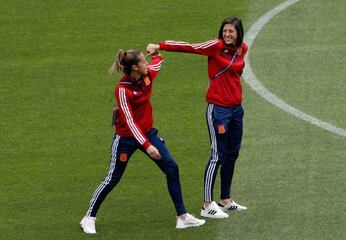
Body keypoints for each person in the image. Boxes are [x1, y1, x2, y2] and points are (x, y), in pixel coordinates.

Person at [80, 49, 205, 234]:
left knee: (171, 167)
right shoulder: (122, 90)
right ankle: (88, 217)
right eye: (143, 62)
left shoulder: (146, 76)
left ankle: (183, 217)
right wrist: (148, 146)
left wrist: (157, 55)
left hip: (148, 133)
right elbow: (130, 122)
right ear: (136, 67)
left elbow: (156, 64)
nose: (147, 64)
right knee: (113, 178)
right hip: (126, 139)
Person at [147, 16, 248, 219]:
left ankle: (225, 199)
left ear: (238, 33)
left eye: (232, 31)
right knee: (217, 154)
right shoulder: (215, 45)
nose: (228, 34)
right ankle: (206, 204)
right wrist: (160, 45)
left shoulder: (242, 48)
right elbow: (190, 47)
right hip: (218, 110)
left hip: (236, 109)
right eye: (225, 30)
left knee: (232, 153)